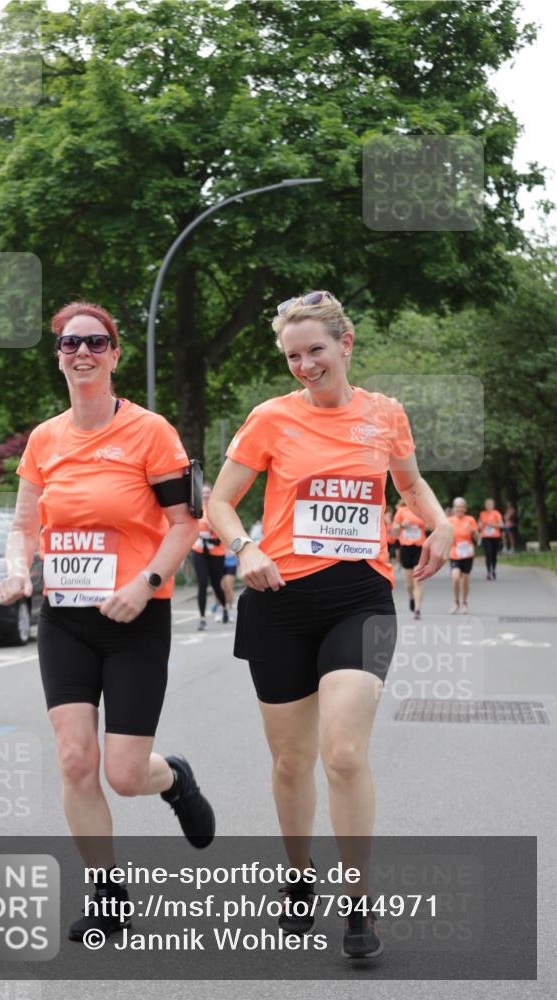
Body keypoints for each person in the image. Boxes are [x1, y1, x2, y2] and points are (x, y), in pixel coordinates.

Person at [208, 290, 452, 959]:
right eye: (292, 355)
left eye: (314, 350)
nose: (304, 364)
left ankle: (358, 904)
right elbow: (219, 501)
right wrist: (244, 547)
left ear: (344, 344)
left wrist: (441, 522)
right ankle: (296, 878)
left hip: (358, 598)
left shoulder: (385, 415)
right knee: (290, 761)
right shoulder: (268, 419)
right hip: (278, 594)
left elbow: (410, 485)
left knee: (342, 753)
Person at [0, 301, 215, 942]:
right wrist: (17, 569)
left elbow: (184, 524)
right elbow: (22, 525)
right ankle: (107, 890)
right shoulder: (45, 438)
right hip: (64, 616)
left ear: (116, 354)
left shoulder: (151, 432)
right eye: (70, 343)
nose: (82, 352)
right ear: (59, 355)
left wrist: (145, 584)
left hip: (135, 618)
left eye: (95, 342)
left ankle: (173, 778)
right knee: (73, 760)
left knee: (124, 775)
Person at [190, 484, 228, 629]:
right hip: (199, 549)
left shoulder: (218, 509)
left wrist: (214, 527)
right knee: (202, 583)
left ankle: (224, 608)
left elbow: (225, 529)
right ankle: (202, 618)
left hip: (216, 550)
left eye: (208, 492)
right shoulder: (195, 508)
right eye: (203, 492)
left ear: (212, 494)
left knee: (216, 584)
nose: (205, 495)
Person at [394, 503, 427, 619]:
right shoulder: (402, 511)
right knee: (409, 584)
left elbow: (431, 526)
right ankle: (411, 597)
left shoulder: (422, 509)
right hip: (406, 549)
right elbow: (394, 527)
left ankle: (417, 609)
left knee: (418, 580)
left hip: (420, 548)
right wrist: (402, 525)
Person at [448, 497, 479, 613]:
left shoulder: (470, 520)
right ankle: (456, 602)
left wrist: (473, 531)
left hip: (467, 554)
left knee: (465, 580)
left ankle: (464, 603)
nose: (459, 509)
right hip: (454, 553)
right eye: (457, 507)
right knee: (455, 578)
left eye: (461, 507)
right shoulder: (450, 520)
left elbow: (478, 538)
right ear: (454, 508)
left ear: (465, 509)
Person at [478, 498, 504, 581]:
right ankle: (489, 571)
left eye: (490, 504)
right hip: (485, 537)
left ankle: (493, 570)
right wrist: (480, 526)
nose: (488, 506)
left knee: (493, 555)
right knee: (488, 554)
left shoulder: (496, 513)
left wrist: (491, 524)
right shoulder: (482, 514)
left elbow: (501, 525)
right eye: (487, 504)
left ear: (493, 505)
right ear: (485, 505)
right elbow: (479, 524)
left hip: (495, 537)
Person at [220, 548, 238, 623]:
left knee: (229, 588)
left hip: (231, 562)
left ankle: (230, 609)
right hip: (218, 561)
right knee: (221, 588)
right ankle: (222, 608)